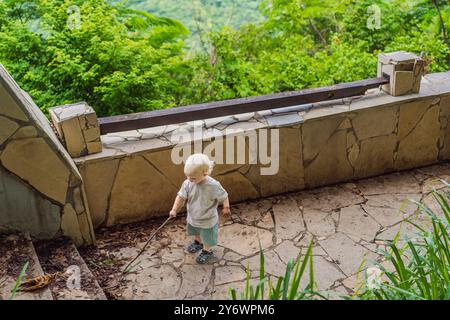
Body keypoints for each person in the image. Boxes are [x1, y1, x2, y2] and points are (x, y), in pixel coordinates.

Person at [169, 153, 231, 264]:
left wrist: (226, 207)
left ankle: (207, 250)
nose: (189, 179)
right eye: (187, 176)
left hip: (207, 218)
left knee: (207, 236)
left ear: (205, 173)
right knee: (196, 230)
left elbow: (224, 195)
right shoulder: (188, 183)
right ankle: (198, 242)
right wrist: (174, 209)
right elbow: (181, 196)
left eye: (193, 177)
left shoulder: (213, 185)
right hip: (193, 216)